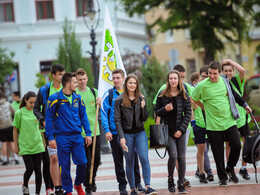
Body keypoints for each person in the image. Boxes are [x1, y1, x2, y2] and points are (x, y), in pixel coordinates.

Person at [191, 61, 252, 187]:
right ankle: (222, 178)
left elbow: (235, 95)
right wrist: (204, 108)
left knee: (236, 145)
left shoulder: (225, 82)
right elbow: (194, 99)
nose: (212, 76)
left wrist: (245, 105)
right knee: (218, 153)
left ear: (219, 73)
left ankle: (230, 167)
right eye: (210, 73)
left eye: (214, 74)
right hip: (213, 125)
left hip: (229, 121)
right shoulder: (202, 85)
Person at [45, 72, 92, 195]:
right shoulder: (54, 99)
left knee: (82, 163)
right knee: (64, 167)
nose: (77, 84)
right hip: (62, 137)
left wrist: (88, 133)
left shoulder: (78, 98)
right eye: (75, 82)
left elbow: (84, 117)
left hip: (77, 137)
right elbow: (49, 119)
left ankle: (78, 184)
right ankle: (68, 190)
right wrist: (50, 137)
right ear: (67, 84)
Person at [101, 69, 145, 195]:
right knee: (118, 160)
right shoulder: (109, 95)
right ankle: (122, 186)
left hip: (128, 132)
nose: (115, 80)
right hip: (115, 133)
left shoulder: (131, 93)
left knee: (133, 158)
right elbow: (104, 114)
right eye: (113, 78)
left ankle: (137, 184)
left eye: (118, 78)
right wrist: (107, 130)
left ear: (123, 78)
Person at [115, 74, 157, 195]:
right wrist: (121, 137)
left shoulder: (141, 98)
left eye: (134, 83)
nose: (132, 85)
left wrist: (143, 107)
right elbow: (117, 120)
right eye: (130, 83)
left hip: (140, 133)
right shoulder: (119, 100)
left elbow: (144, 118)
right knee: (129, 161)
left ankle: (148, 186)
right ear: (126, 84)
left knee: (144, 158)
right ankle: (133, 188)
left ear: (137, 85)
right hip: (126, 134)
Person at [152, 64, 192, 187]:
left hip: (181, 131)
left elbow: (188, 113)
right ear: (168, 80)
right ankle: (170, 179)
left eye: (175, 78)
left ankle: (181, 183)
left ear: (178, 80)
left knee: (181, 157)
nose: (173, 80)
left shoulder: (183, 93)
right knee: (173, 155)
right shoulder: (162, 94)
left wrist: (181, 129)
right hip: (167, 131)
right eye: (171, 78)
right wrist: (165, 108)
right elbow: (156, 111)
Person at [33, 64, 65, 195]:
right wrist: (43, 120)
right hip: (50, 130)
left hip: (65, 129)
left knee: (62, 159)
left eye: (64, 74)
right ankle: (55, 187)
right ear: (53, 75)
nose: (62, 77)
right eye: (60, 74)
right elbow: (36, 109)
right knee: (53, 158)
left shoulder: (67, 88)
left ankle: (62, 185)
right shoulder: (44, 90)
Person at [221, 59, 250, 180]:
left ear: (233, 71)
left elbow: (242, 70)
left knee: (246, 143)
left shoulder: (236, 81)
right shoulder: (221, 83)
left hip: (242, 118)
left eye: (230, 70)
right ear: (222, 72)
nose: (228, 73)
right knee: (229, 146)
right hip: (229, 120)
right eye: (225, 71)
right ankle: (230, 168)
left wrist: (228, 61)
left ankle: (243, 168)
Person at [13, 91, 45, 195]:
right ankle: (25, 185)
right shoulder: (19, 113)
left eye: (34, 102)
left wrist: (43, 142)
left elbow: (41, 129)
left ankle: (37, 193)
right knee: (30, 168)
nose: (32, 105)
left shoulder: (37, 112)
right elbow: (15, 129)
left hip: (38, 144)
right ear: (25, 100)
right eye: (31, 102)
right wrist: (15, 145)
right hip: (25, 145)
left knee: (38, 170)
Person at [76, 68, 101, 195]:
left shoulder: (93, 91)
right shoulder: (75, 93)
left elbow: (100, 109)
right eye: (80, 80)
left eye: (84, 79)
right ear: (76, 80)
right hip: (81, 132)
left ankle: (93, 177)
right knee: (86, 161)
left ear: (87, 79)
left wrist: (99, 103)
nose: (82, 82)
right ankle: (88, 184)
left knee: (97, 158)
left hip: (95, 130)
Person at [190, 67, 214, 183]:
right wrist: (193, 122)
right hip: (199, 124)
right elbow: (191, 107)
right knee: (202, 149)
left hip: (210, 123)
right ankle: (202, 173)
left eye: (206, 77)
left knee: (209, 149)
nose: (205, 79)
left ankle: (201, 170)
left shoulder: (208, 89)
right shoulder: (194, 91)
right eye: (203, 77)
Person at [0, 92, 18, 165]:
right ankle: (16, 158)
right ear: (3, 97)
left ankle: (5, 160)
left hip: (1, 128)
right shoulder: (8, 104)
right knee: (11, 142)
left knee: (3, 143)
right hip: (9, 125)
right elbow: (15, 113)